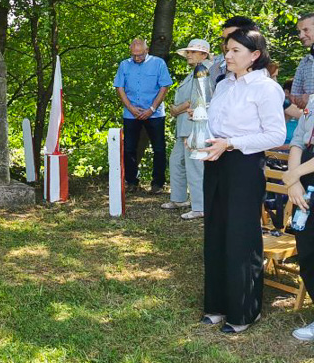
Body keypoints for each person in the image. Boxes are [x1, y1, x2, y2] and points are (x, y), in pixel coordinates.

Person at [199, 28, 285, 334]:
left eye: (235, 50)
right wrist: (203, 141)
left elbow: (275, 134)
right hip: (216, 161)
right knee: (216, 230)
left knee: (240, 235)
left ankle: (245, 311)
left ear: (255, 55)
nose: (228, 55)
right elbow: (215, 123)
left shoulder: (266, 88)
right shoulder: (223, 85)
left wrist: (231, 143)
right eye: (226, 49)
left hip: (245, 164)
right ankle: (217, 305)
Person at [113, 38, 173, 193]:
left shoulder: (158, 63)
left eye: (139, 55)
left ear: (147, 51)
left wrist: (152, 108)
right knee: (128, 149)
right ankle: (132, 182)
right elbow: (119, 88)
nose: (137, 58)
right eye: (134, 55)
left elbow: (164, 86)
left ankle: (158, 184)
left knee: (159, 148)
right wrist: (130, 108)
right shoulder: (124, 65)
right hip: (131, 113)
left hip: (155, 113)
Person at [161, 39, 212, 220]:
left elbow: (200, 99)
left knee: (195, 167)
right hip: (184, 126)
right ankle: (179, 198)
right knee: (176, 161)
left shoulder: (204, 70)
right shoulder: (194, 72)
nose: (188, 55)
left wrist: (176, 109)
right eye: (188, 52)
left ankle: (200, 207)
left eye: (192, 52)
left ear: (204, 54)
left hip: (196, 127)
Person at [283, 100, 314, 340]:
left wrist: (294, 174)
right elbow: (298, 140)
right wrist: (293, 182)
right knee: (308, 251)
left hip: (303, 171)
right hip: (305, 176)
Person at [209, 16, 258, 88]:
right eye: (224, 40)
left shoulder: (264, 80)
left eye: (232, 39)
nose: (226, 44)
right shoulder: (214, 70)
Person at [290, 13, 314, 108]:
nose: (301, 36)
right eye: (299, 32)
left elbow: (306, 98)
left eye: (306, 30)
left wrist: (310, 98)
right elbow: (295, 95)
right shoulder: (305, 62)